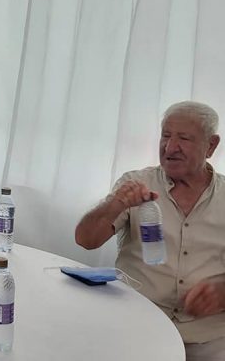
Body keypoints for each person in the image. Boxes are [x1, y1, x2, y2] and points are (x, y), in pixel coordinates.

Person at [75, 101, 225, 360]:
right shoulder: (136, 184)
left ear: (211, 145)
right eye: (166, 136)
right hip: (137, 323)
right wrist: (115, 205)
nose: (170, 147)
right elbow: (85, 240)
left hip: (209, 338)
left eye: (184, 138)